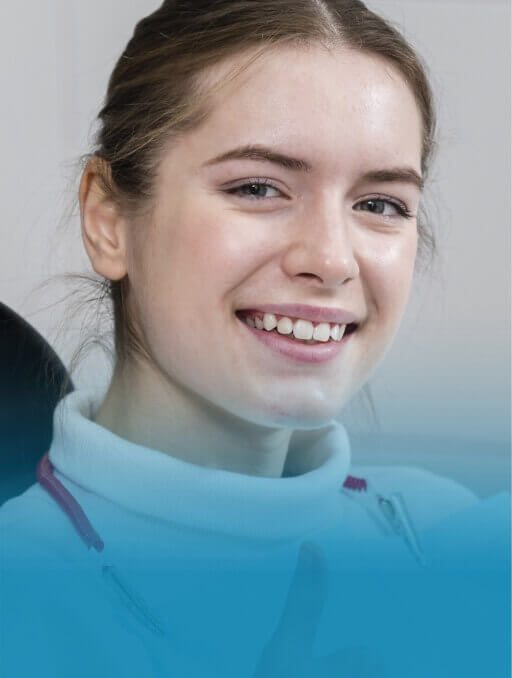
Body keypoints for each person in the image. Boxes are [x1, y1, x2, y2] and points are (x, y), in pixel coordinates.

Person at [0, 1, 509, 677]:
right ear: (108, 220)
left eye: (380, 204)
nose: (330, 259)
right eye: (258, 187)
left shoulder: (450, 543)